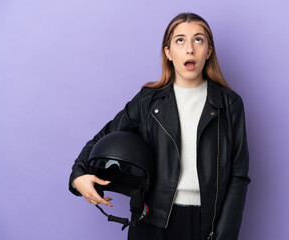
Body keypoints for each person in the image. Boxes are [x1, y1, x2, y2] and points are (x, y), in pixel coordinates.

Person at [69, 12, 251, 240]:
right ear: (168, 52)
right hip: (152, 221)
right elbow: (103, 137)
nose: (190, 49)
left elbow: (238, 175)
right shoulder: (147, 101)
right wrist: (78, 175)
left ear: (209, 50)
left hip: (206, 224)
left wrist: (225, 234)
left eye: (198, 39)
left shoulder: (229, 104)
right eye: (180, 40)